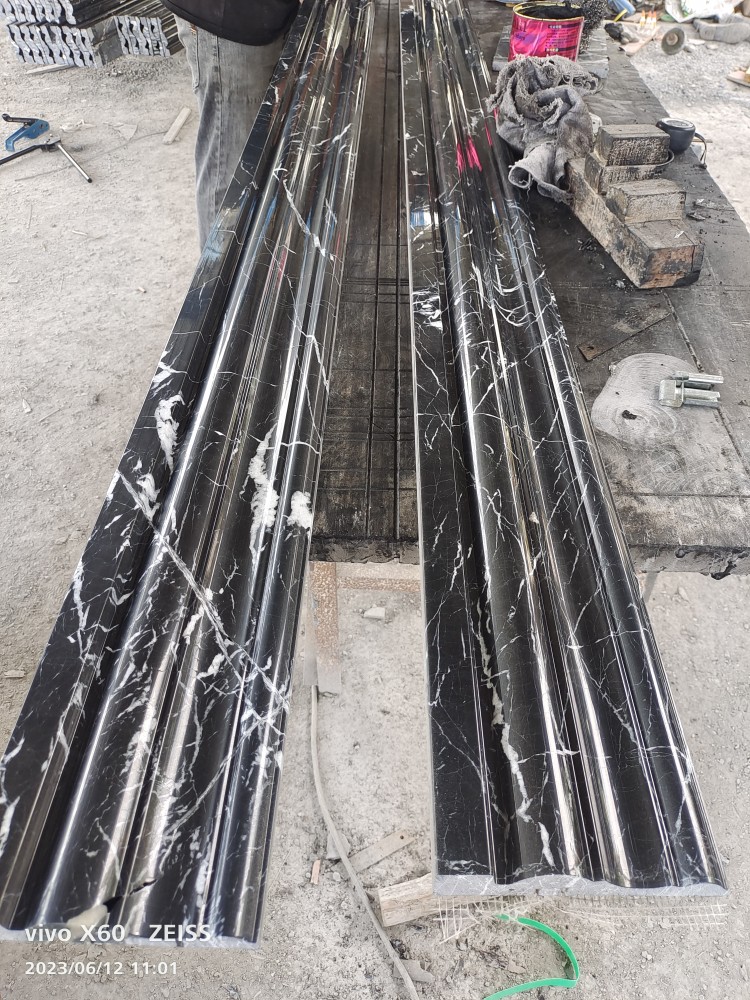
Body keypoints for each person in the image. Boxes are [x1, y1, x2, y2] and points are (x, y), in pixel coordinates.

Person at [164, 0, 299, 246]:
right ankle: (221, 266)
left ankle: (249, 255)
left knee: (257, 160)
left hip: (262, 17)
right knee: (229, 176)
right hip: (231, 21)